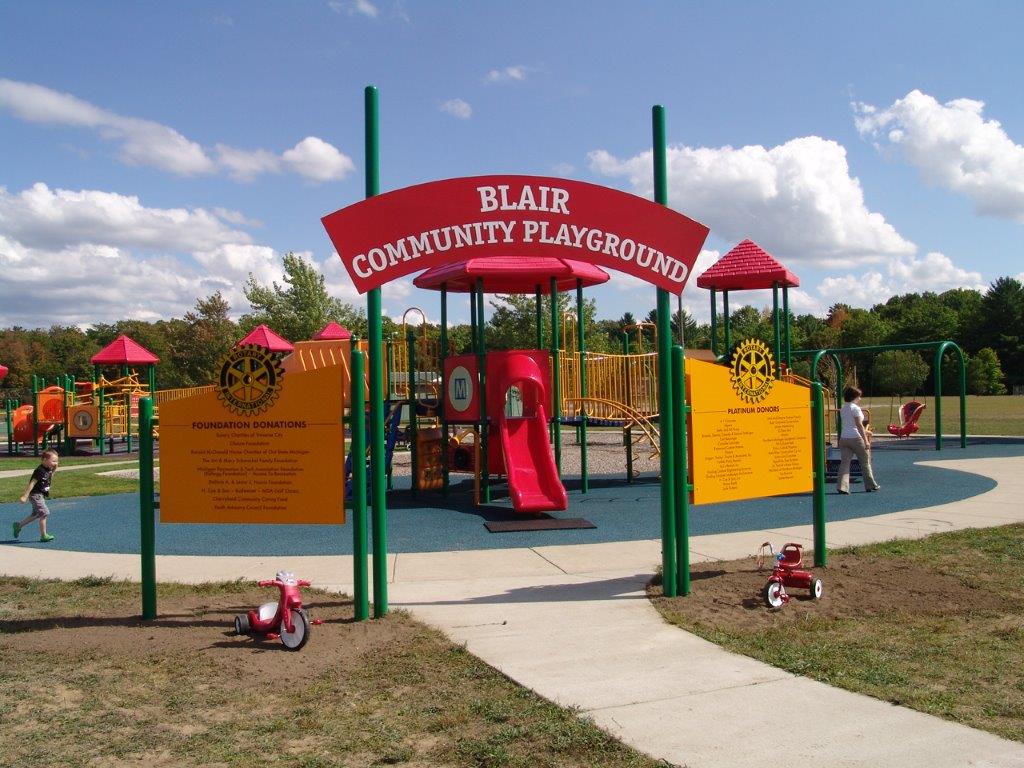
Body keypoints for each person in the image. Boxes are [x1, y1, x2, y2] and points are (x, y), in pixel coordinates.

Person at [836, 386, 880, 494]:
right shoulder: (855, 408)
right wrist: (866, 441)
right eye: (858, 396)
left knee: (845, 463)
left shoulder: (843, 408)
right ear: (854, 397)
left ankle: (842, 486)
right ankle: (870, 485)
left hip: (844, 438)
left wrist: (867, 432)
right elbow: (859, 425)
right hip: (856, 439)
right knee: (865, 462)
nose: (860, 399)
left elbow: (850, 425)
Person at [13, 449, 59, 542]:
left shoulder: (48, 469)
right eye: (53, 461)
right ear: (45, 460)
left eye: (57, 461)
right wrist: (25, 496)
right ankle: (43, 535)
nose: (55, 463)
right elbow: (32, 483)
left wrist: (55, 467)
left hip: (40, 495)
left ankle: (18, 525)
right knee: (44, 513)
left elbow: (51, 475)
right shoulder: (39, 470)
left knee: (36, 514)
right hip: (36, 495)